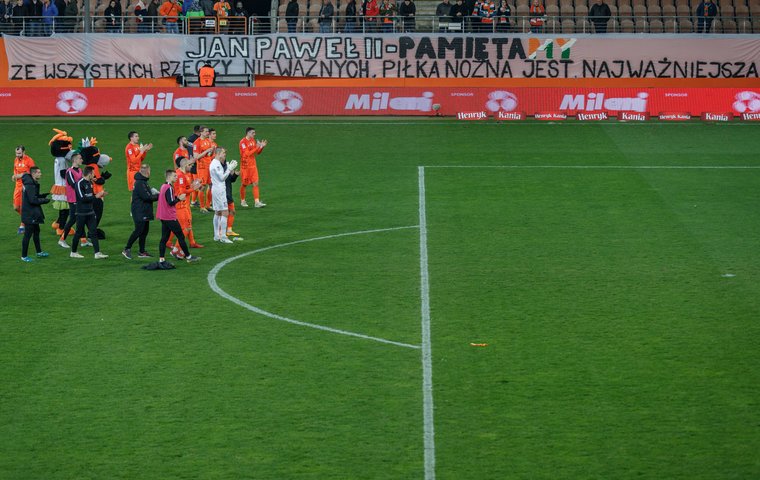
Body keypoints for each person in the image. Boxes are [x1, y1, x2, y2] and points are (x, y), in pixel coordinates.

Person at [156, 169, 201, 265]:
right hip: (170, 217)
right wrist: (179, 199)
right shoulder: (169, 188)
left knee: (164, 238)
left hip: (163, 217)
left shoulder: (163, 186)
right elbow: (171, 202)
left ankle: (161, 259)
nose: (176, 178)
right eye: (174, 176)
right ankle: (188, 256)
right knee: (181, 236)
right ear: (169, 177)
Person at [70, 166, 108, 259]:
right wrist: (96, 196)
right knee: (78, 233)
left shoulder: (90, 182)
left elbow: (90, 195)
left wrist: (99, 195)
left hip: (90, 212)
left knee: (93, 232)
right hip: (81, 213)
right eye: (93, 173)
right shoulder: (79, 184)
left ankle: (97, 253)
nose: (94, 175)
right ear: (90, 173)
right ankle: (73, 252)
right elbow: (82, 198)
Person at [123, 164, 158, 259]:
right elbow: (147, 197)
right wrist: (160, 195)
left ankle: (142, 251)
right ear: (147, 172)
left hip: (143, 210)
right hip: (139, 211)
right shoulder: (140, 183)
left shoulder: (142, 182)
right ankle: (127, 249)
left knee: (144, 231)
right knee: (138, 230)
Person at [170, 157, 204, 258]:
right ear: (185, 165)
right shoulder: (180, 176)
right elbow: (182, 192)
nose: (192, 166)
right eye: (190, 165)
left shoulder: (184, 174)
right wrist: (194, 188)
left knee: (187, 227)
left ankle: (179, 249)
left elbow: (186, 188)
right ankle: (176, 250)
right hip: (180, 205)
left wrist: (194, 185)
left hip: (184, 205)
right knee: (186, 228)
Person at [58, 152, 88, 249]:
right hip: (73, 199)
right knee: (73, 220)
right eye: (80, 158)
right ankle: (62, 240)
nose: (82, 160)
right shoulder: (69, 171)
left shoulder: (80, 170)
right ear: (74, 160)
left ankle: (83, 240)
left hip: (79, 198)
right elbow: (73, 184)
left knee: (81, 218)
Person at [20, 166, 50, 262]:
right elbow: (32, 200)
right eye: (39, 172)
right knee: (28, 235)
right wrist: (44, 200)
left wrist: (42, 195)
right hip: (30, 214)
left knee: (36, 232)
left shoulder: (32, 183)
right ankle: (24, 256)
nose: (40, 174)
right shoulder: (30, 185)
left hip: (32, 212)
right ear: (33, 174)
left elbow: (33, 196)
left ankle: (39, 252)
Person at [209, 147, 238, 243]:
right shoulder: (216, 164)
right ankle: (224, 237)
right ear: (218, 153)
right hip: (219, 191)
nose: (225, 154)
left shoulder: (216, 163)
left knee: (217, 212)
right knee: (225, 213)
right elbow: (222, 178)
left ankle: (217, 235)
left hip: (217, 189)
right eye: (223, 153)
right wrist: (229, 169)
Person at [238, 127, 268, 208]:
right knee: (244, 184)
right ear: (248, 133)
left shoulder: (253, 141)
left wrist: (261, 147)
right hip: (245, 166)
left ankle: (257, 202)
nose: (254, 134)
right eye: (253, 133)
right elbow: (247, 153)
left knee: (255, 183)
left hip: (253, 165)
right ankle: (243, 200)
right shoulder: (243, 142)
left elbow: (257, 153)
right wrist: (257, 147)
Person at [11, 145, 35, 235]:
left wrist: (21, 175)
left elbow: (33, 172)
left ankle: (23, 224)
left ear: (24, 152)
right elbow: (15, 170)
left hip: (26, 186)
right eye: (16, 153)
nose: (17, 155)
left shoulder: (29, 160)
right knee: (16, 207)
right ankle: (28, 218)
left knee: (24, 206)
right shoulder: (16, 160)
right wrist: (14, 176)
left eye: (19, 153)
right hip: (18, 186)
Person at [192, 126, 215, 212]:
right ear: (201, 132)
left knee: (211, 185)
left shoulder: (208, 141)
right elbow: (196, 157)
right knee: (202, 187)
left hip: (209, 166)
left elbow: (208, 155)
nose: (207, 133)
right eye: (206, 131)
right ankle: (202, 207)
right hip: (202, 167)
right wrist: (206, 151)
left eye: (208, 131)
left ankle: (208, 205)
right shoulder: (196, 143)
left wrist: (212, 151)